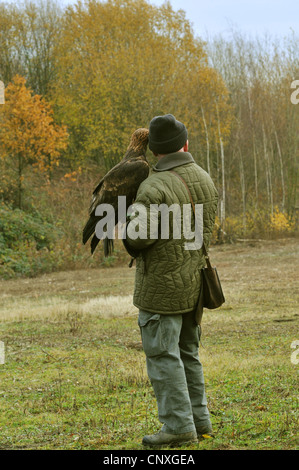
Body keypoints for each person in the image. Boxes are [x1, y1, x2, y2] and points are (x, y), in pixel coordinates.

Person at [123, 114, 218, 447]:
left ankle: (178, 427)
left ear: (154, 149)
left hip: (161, 288)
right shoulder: (205, 178)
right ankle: (201, 423)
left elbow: (136, 237)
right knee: (188, 354)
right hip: (193, 283)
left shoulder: (153, 185)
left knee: (164, 356)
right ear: (185, 144)